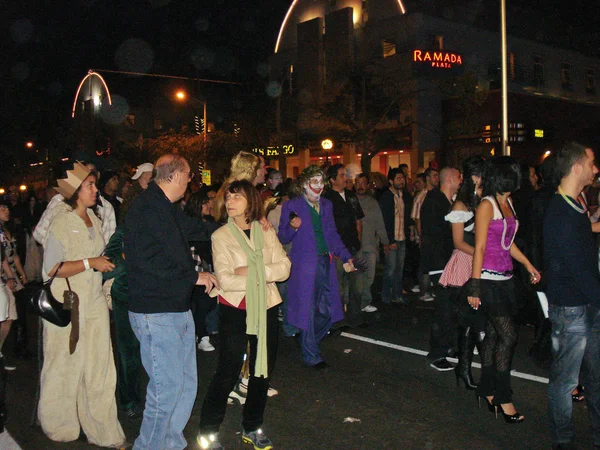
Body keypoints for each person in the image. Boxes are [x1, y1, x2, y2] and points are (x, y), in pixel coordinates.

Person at [125, 154, 218, 450]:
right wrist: (194, 277)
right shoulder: (145, 208)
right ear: (176, 175)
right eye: (189, 175)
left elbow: (193, 229)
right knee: (165, 392)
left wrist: (234, 227)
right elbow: (145, 262)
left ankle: (170, 444)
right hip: (155, 312)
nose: (190, 181)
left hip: (177, 308)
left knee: (186, 385)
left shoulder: (165, 206)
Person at [198, 180, 290, 450]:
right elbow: (226, 280)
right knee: (227, 372)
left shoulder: (264, 230)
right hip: (235, 310)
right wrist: (264, 270)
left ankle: (252, 426)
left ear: (251, 200)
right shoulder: (221, 236)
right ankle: (208, 432)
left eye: (236, 196)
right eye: (228, 197)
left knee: (262, 373)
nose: (229, 201)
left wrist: (250, 270)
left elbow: (284, 268)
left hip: (266, 307)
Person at [38, 162, 126, 446]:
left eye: (94, 184)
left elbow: (102, 258)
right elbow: (51, 268)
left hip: (95, 302)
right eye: (89, 185)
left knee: (100, 367)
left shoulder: (96, 219)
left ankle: (103, 430)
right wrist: (90, 263)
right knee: (63, 364)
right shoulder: (62, 222)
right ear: (75, 191)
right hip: (69, 302)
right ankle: (59, 425)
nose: (95, 190)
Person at [467, 156, 540, 424]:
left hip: (506, 279)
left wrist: (529, 265)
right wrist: (474, 286)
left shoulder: (507, 202)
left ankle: (486, 390)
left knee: (496, 337)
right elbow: (481, 248)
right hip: (487, 280)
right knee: (508, 336)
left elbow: (508, 243)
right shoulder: (487, 205)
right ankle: (502, 395)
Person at [544, 142, 600, 448]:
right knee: (565, 383)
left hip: (587, 304)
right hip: (571, 309)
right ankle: (563, 441)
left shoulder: (575, 204)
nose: (596, 169)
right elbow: (577, 268)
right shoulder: (561, 211)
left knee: (595, 379)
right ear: (576, 167)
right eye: (592, 163)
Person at [279, 165, 355, 369]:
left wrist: (347, 256)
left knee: (328, 310)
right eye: (314, 182)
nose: (319, 186)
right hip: (304, 266)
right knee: (308, 310)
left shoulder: (327, 205)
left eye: (321, 182)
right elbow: (283, 236)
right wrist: (293, 227)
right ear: (305, 184)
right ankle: (311, 353)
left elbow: (332, 236)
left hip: (325, 263)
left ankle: (306, 337)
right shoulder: (292, 205)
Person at [438, 156, 485, 389]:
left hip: (476, 262)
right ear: (475, 177)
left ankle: (465, 367)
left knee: (474, 318)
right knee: (466, 319)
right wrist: (481, 254)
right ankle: (463, 368)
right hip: (465, 262)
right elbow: (458, 242)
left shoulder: (479, 203)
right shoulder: (460, 206)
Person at [422, 167, 461, 371]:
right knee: (444, 309)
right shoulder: (434, 201)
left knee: (452, 307)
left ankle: (449, 346)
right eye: (458, 176)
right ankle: (437, 353)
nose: (461, 179)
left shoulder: (448, 201)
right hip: (440, 263)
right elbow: (432, 234)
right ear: (450, 179)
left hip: (449, 261)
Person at [34, 162, 116, 245]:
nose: (89, 175)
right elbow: (40, 233)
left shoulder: (106, 207)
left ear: (97, 175)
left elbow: (109, 242)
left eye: (92, 173)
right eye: (84, 174)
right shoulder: (60, 200)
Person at [323, 164, 364, 327]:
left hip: (353, 248)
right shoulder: (326, 199)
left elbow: (358, 220)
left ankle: (355, 317)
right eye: (341, 175)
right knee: (338, 287)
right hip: (338, 250)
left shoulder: (351, 196)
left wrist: (358, 240)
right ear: (332, 179)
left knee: (358, 285)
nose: (345, 178)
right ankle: (338, 319)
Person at [185, 190, 219, 352]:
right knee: (199, 303)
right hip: (195, 267)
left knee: (208, 302)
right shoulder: (191, 223)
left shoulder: (211, 221)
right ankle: (201, 335)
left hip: (209, 266)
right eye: (205, 203)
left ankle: (202, 333)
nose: (209, 205)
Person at [355, 173, 389, 312]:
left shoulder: (373, 203)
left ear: (367, 185)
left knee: (370, 276)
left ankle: (363, 301)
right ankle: (359, 303)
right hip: (355, 246)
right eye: (357, 183)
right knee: (357, 276)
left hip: (370, 245)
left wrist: (385, 242)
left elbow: (379, 224)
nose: (360, 186)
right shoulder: (350, 201)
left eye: (363, 183)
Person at [379, 168, 412, 304]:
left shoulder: (404, 196)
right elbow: (385, 220)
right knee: (390, 268)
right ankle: (386, 294)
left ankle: (397, 294)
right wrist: (388, 240)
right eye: (398, 178)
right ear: (391, 181)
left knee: (399, 268)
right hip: (392, 238)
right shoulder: (387, 197)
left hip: (402, 237)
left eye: (402, 178)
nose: (401, 181)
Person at [0, 199, 22, 370]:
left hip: (5, 279)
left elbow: (7, 258)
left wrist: (14, 276)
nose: (7, 210)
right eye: (3, 208)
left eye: (8, 207)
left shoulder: (5, 230)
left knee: (9, 315)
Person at [413, 168, 439, 301]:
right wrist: (421, 236)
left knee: (433, 263)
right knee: (425, 264)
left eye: (437, 176)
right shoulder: (422, 196)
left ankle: (431, 288)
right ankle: (424, 291)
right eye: (434, 176)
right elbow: (417, 219)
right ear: (427, 178)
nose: (437, 178)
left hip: (434, 236)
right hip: (426, 236)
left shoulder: (437, 194)